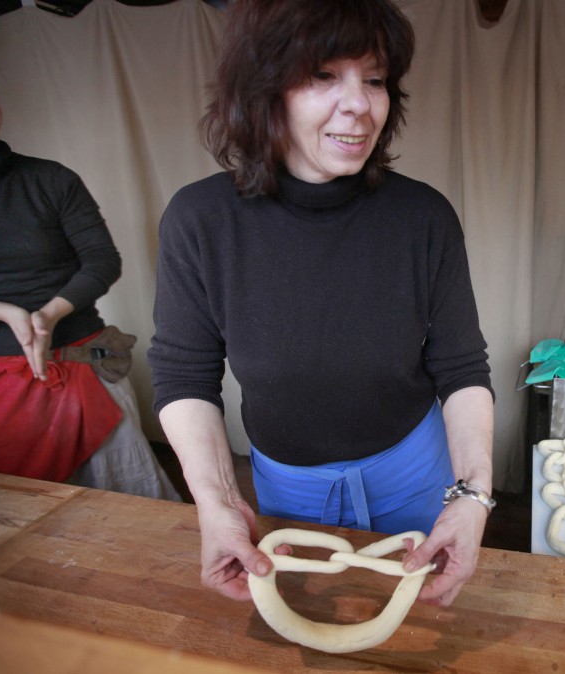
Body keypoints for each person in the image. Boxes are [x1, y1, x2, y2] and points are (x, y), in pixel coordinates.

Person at [148, 0, 495, 608]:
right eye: (323, 75)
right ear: (262, 92)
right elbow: (184, 375)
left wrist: (472, 496)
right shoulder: (200, 220)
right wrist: (217, 501)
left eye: (375, 79)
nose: (360, 104)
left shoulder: (423, 217)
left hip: (415, 471)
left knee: (421, 625)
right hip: (287, 484)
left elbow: (462, 367)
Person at [0, 53, 180, 501]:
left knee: (125, 507)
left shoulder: (50, 179)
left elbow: (102, 260)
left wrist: (48, 314)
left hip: (80, 364)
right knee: (4, 513)